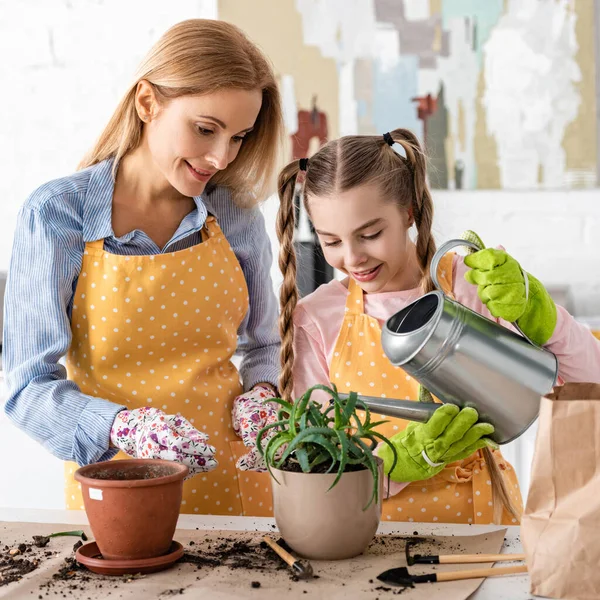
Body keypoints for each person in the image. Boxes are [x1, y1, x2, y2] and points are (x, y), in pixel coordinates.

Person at [3, 19, 284, 516]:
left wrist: (262, 396)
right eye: (205, 129)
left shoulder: (234, 214)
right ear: (148, 102)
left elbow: (263, 344)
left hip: (234, 490)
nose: (220, 157)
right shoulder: (56, 215)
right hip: (116, 491)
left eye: (238, 137)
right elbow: (27, 387)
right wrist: (123, 427)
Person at [261, 128, 600, 525]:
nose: (352, 258)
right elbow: (320, 466)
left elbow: (587, 386)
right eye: (331, 241)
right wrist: (396, 463)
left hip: (483, 526)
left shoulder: (469, 286)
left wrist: (538, 311)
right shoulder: (318, 318)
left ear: (408, 211)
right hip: (371, 536)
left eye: (370, 234)